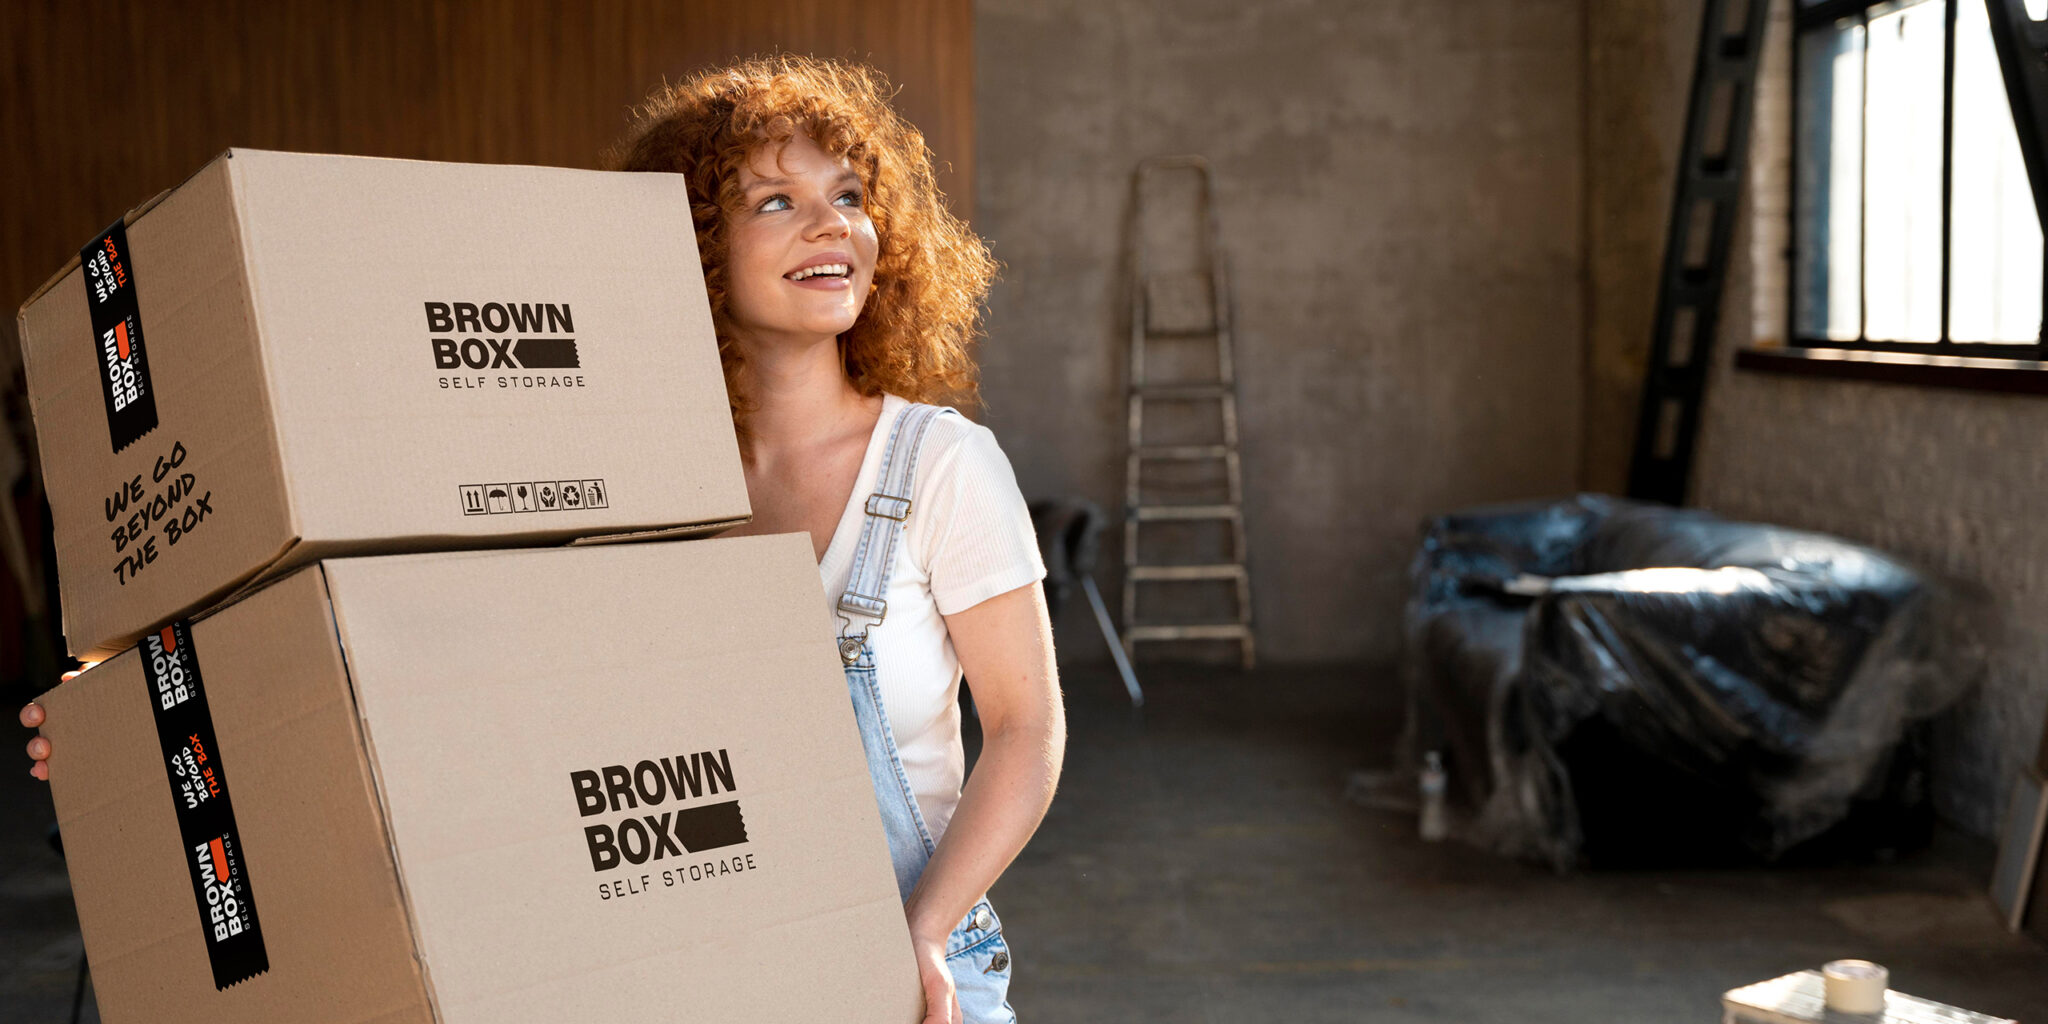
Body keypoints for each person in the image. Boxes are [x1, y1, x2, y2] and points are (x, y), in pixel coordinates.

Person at [20, 54, 1065, 1024]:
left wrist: (920, 934)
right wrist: (125, 726)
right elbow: (405, 654)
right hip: (683, 964)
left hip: (908, 972)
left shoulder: (938, 467)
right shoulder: (618, 478)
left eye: (850, 196)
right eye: (775, 202)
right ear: (694, 244)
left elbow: (1025, 731)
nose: (831, 225)